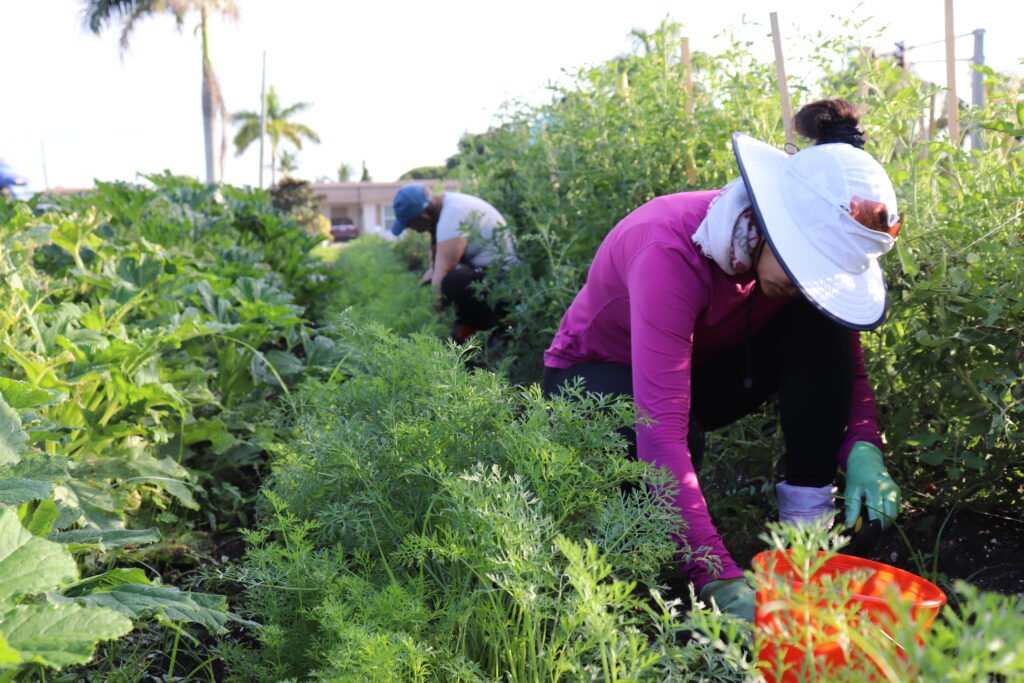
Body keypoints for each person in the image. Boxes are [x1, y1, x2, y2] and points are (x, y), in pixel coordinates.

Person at [542, 99, 902, 623]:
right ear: (771, 224)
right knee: (673, 439)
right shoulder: (667, 251)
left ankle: (805, 536)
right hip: (595, 382)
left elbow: (845, 364)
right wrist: (715, 573)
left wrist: (865, 442)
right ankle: (652, 567)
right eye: (804, 267)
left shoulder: (774, 259)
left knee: (818, 322)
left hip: (698, 368)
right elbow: (658, 431)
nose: (805, 283)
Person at [390, 185, 517, 336]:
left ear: (423, 216)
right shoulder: (443, 209)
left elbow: (443, 271)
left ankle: (489, 333)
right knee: (432, 284)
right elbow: (434, 267)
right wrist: (418, 294)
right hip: (484, 272)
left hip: (504, 281)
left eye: (409, 225)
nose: (412, 229)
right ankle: (467, 331)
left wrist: (432, 324)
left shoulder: (452, 214)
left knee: (450, 283)